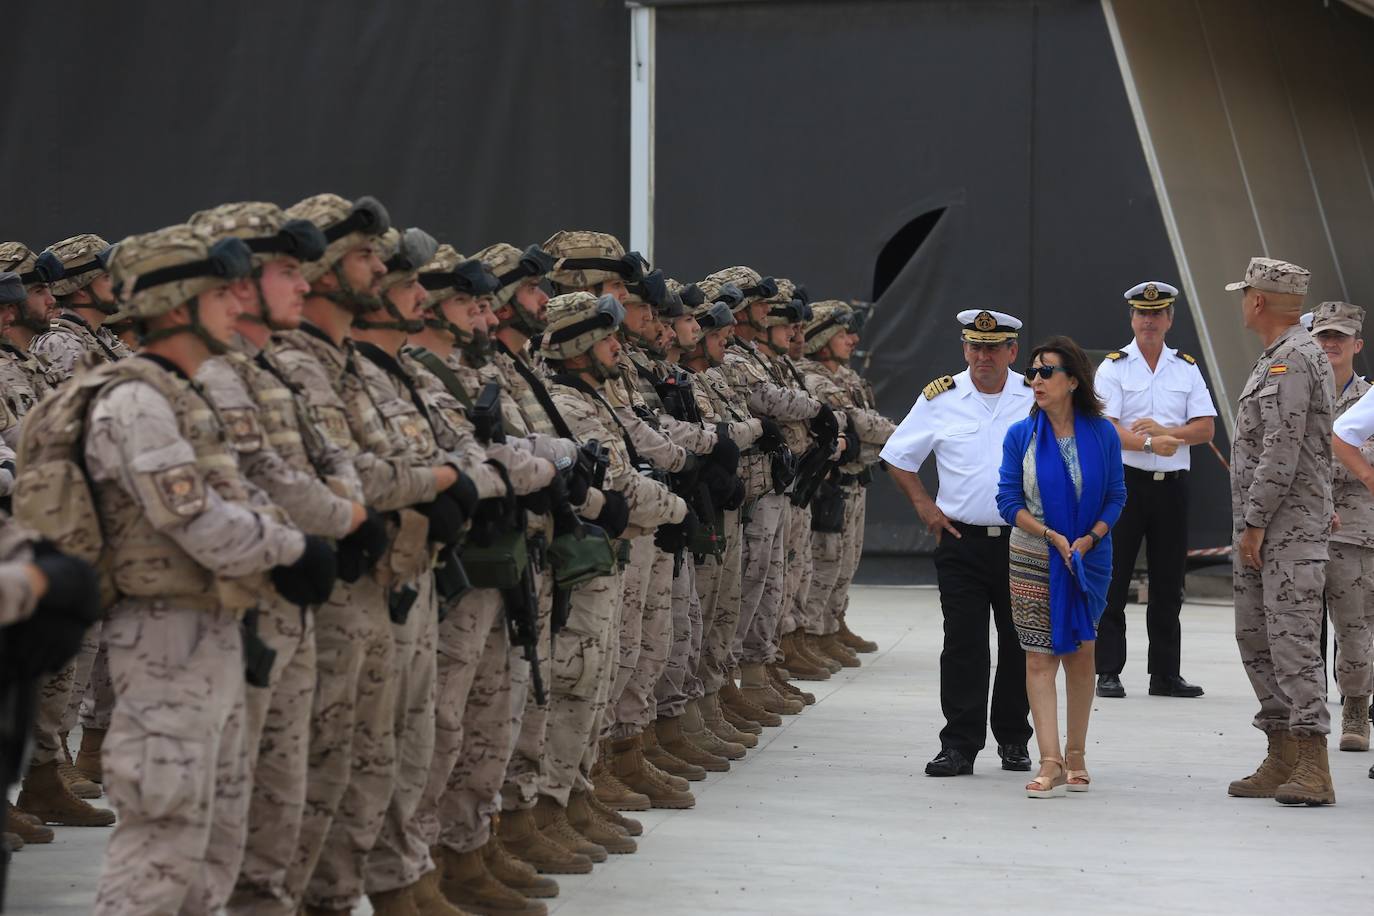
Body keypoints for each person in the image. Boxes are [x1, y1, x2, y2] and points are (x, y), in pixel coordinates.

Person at [881, 309, 1035, 777]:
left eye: (994, 348)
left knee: (1018, 643)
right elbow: (898, 455)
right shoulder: (940, 397)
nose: (983, 356)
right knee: (963, 643)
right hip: (961, 541)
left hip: (1022, 540)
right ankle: (960, 745)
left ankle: (1013, 738)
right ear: (965, 348)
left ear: (1012, 351)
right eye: (975, 346)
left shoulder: (1035, 395)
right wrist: (925, 506)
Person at [1224, 257, 1336, 807]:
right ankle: (1281, 754)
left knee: (1292, 646)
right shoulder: (1278, 358)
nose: (1242, 302)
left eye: (1245, 294)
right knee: (1258, 641)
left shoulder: (1293, 359)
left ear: (1259, 301)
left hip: (1281, 534)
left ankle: (1313, 764)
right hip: (1271, 533)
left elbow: (1283, 449)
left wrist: (1254, 522)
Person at [996, 336, 1126, 798]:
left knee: (1082, 654)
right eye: (1032, 372)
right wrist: (1051, 535)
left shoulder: (1103, 433)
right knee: (1037, 655)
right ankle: (1049, 759)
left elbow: (1116, 496)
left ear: (1072, 380)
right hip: (1034, 553)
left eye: (1046, 372)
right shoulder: (1021, 435)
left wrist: (1089, 538)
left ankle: (1077, 753)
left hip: (1090, 556)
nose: (1035, 380)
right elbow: (1008, 502)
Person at [1093, 281, 1216, 699]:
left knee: (1168, 582)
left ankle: (1165, 673)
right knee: (1114, 578)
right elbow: (1103, 428)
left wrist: (1169, 433)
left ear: (1169, 319)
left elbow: (1206, 427)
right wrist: (1147, 443)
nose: (1149, 321)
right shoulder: (1114, 367)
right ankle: (1108, 670)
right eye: (1142, 314)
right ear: (1132, 318)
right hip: (1125, 484)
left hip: (1172, 488)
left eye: (1157, 313)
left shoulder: (1185, 367)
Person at [1317, 301, 1374, 757]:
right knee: (1290, 632)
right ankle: (1301, 718)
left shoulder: (1368, 398)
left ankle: (1355, 705)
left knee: (1355, 625)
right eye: (1323, 336)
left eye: (1339, 337)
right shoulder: (1295, 393)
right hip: (1297, 527)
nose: (1331, 344)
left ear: (1356, 344)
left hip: (1353, 530)